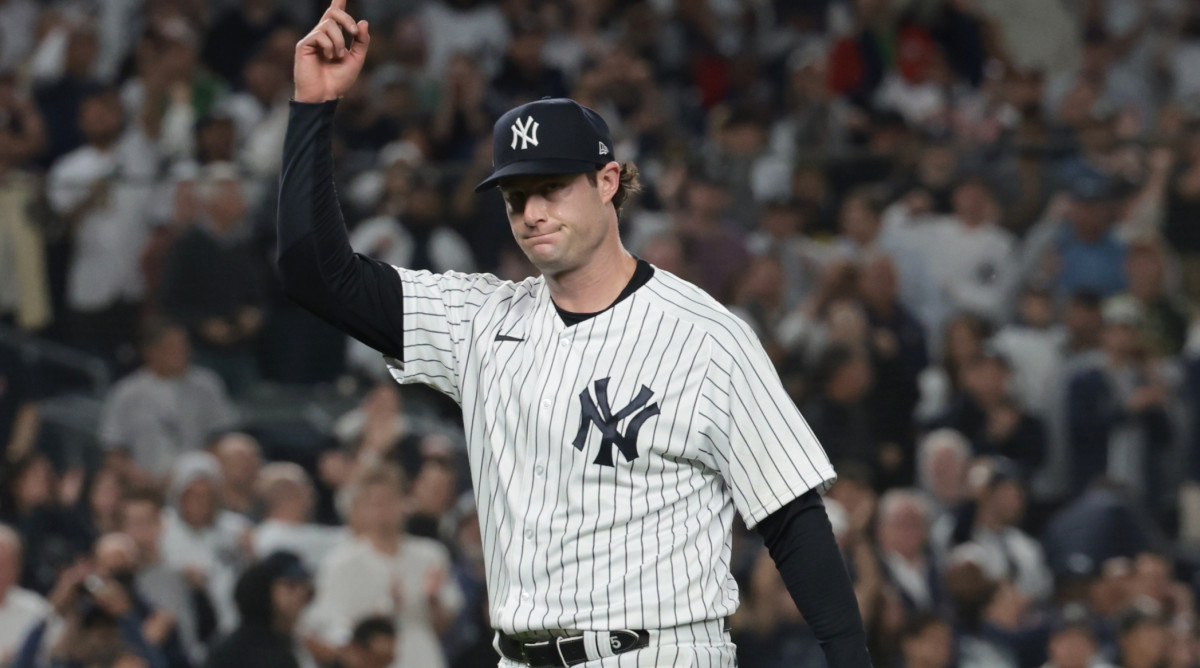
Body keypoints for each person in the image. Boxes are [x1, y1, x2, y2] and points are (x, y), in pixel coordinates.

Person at [277, 3, 872, 666]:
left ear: (608, 181)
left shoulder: (702, 334)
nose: (532, 213)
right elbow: (312, 272)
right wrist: (313, 106)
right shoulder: (480, 322)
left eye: (552, 188)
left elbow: (792, 517)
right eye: (515, 197)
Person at [203, 551, 313, 668]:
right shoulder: (237, 653)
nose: (301, 594)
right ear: (265, 591)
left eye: (304, 587)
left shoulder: (295, 643)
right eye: (291, 586)